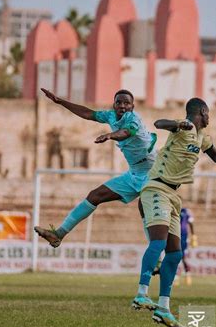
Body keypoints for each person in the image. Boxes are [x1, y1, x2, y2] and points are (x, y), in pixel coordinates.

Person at [132, 97, 216, 327]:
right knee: (158, 243)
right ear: (200, 112)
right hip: (156, 187)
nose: (209, 117)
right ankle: (141, 293)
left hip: (173, 195)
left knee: (175, 253)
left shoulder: (202, 137)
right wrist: (179, 125)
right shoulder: (184, 127)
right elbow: (159, 123)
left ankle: (163, 308)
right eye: (207, 113)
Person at [34, 88, 157, 248]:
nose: (122, 106)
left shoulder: (134, 119)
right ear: (114, 105)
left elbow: (128, 132)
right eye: (118, 102)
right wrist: (60, 102)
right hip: (134, 173)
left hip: (153, 172)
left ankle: (156, 257)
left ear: (132, 107)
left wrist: (110, 135)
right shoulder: (111, 116)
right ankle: (58, 234)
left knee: (144, 206)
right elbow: (88, 114)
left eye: (127, 103)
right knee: (95, 196)